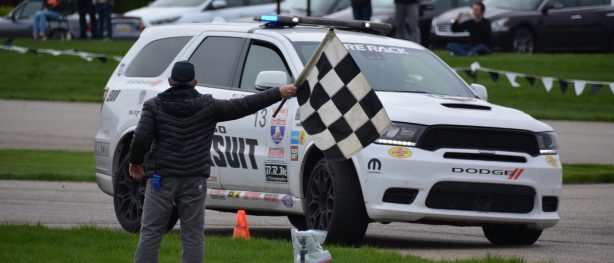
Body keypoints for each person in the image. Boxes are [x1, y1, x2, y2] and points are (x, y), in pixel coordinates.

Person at [129, 61, 297, 263]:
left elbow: (140, 139)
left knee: (151, 232)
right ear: (194, 82)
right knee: (192, 235)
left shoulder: (153, 106)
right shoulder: (208, 106)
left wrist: (136, 162)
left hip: (160, 178)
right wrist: (278, 92)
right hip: (194, 180)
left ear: (170, 81)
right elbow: (243, 105)